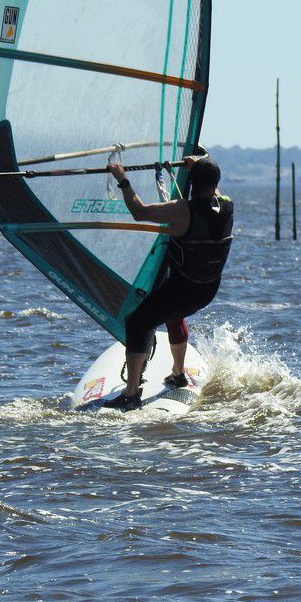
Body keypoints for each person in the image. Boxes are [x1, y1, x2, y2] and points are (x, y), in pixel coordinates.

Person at [102, 156, 233, 411]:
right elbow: (211, 185)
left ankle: (130, 394)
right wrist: (197, 166)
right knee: (174, 316)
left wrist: (123, 179)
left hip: (183, 289)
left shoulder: (183, 209)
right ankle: (178, 374)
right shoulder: (227, 204)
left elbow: (139, 212)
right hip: (208, 289)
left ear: (193, 182)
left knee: (138, 322)